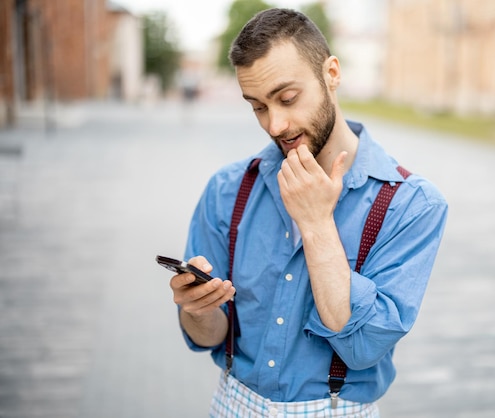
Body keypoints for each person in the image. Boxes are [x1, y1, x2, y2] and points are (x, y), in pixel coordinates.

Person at [169, 8, 448, 418]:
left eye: (286, 99)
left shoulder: (412, 205)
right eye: (258, 107)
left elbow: (365, 346)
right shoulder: (227, 190)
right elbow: (210, 337)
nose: (275, 125)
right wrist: (198, 308)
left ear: (331, 73)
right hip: (233, 405)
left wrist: (316, 223)